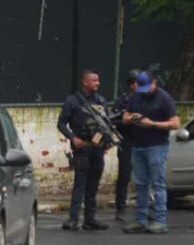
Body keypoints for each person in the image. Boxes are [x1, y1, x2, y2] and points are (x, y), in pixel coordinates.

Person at [122, 71, 180, 234]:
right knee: (140, 184)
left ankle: (160, 221)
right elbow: (124, 117)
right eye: (142, 88)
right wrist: (133, 117)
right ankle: (140, 219)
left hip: (157, 145)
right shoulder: (136, 96)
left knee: (158, 183)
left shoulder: (164, 98)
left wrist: (152, 124)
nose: (145, 91)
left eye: (147, 87)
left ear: (154, 83)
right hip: (138, 145)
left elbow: (175, 124)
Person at [57, 69, 110, 231]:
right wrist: (73, 138)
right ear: (85, 82)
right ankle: (73, 219)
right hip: (81, 148)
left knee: (93, 184)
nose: (97, 83)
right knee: (80, 183)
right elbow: (61, 123)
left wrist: (106, 141)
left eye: (98, 80)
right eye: (94, 80)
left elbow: (106, 124)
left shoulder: (101, 101)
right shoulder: (72, 101)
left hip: (97, 148)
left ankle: (90, 219)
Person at [111, 69, 139, 221]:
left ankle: (145, 208)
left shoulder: (149, 99)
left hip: (144, 141)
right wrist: (125, 120)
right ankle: (120, 208)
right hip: (127, 141)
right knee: (124, 175)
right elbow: (113, 122)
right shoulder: (122, 101)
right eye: (135, 83)